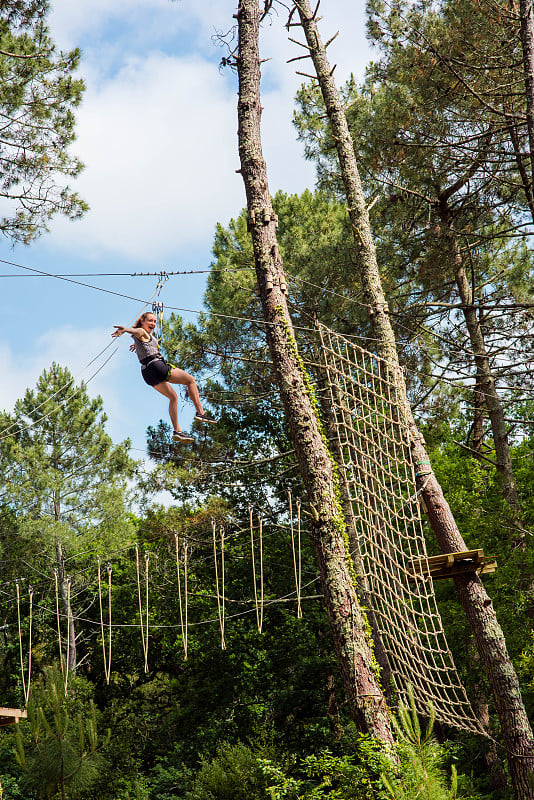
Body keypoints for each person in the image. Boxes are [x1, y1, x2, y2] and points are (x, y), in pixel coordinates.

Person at [112, 311, 215, 443]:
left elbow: (141, 339)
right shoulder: (141, 332)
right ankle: (201, 412)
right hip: (157, 366)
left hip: (147, 374)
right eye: (150, 321)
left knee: (173, 397)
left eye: (154, 321)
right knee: (191, 380)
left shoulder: (144, 337)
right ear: (142, 321)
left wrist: (136, 344)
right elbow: (137, 331)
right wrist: (126, 329)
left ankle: (178, 431)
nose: (153, 324)